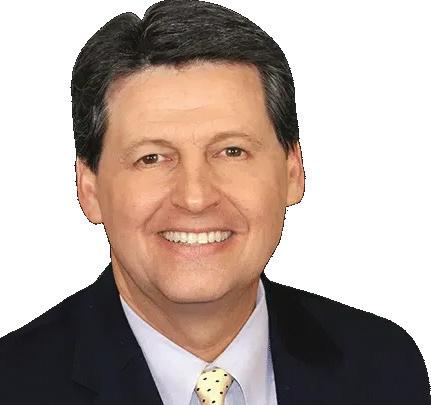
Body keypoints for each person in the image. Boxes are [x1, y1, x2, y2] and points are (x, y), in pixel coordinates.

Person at [0, 0, 429, 403]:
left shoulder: (385, 366)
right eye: (152, 158)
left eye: (232, 151)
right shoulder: (13, 383)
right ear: (89, 188)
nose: (195, 197)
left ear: (293, 170)